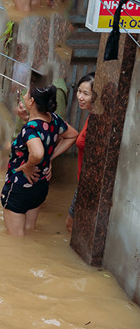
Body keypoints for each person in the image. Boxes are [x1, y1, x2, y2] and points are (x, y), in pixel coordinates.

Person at [0, 83, 78, 236]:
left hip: (19, 187)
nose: (23, 96)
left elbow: (37, 153)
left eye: (27, 94)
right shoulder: (54, 119)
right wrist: (50, 158)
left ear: (32, 102)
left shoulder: (31, 128)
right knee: (29, 231)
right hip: (40, 185)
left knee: (15, 239)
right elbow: (73, 134)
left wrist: (28, 166)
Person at [66, 73, 96, 234]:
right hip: (82, 181)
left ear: (95, 96)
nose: (80, 97)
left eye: (86, 93)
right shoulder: (91, 116)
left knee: (71, 225)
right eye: (79, 91)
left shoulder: (97, 121)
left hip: (87, 183)